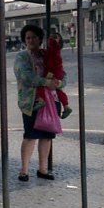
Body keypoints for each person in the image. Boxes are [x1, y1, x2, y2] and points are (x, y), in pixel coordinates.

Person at [13, 24, 64, 182]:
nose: (31, 40)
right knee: (30, 135)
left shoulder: (46, 54)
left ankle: (43, 169)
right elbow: (24, 76)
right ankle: (24, 170)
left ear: (40, 39)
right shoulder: (22, 56)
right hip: (31, 101)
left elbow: (60, 71)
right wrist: (45, 82)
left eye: (34, 37)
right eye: (28, 37)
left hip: (51, 100)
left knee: (47, 136)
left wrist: (59, 83)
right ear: (24, 40)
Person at [39, 30, 72, 119]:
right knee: (59, 90)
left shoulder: (53, 49)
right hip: (55, 72)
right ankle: (66, 106)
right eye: (51, 37)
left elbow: (51, 61)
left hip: (53, 72)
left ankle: (41, 100)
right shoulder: (51, 50)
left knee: (43, 86)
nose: (52, 39)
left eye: (55, 37)